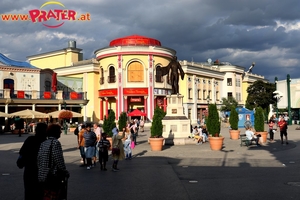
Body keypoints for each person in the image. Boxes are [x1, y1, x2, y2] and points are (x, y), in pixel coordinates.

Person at [38, 124, 69, 200]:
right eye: (59, 130)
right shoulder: (55, 142)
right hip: (52, 175)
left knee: (46, 195)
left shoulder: (44, 143)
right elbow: (58, 159)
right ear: (55, 132)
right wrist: (65, 171)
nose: (61, 132)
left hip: (43, 175)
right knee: (55, 196)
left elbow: (39, 159)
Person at [18, 122, 48, 200]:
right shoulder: (47, 142)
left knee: (29, 192)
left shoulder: (30, 140)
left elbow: (22, 152)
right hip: (43, 172)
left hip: (29, 170)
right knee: (41, 193)